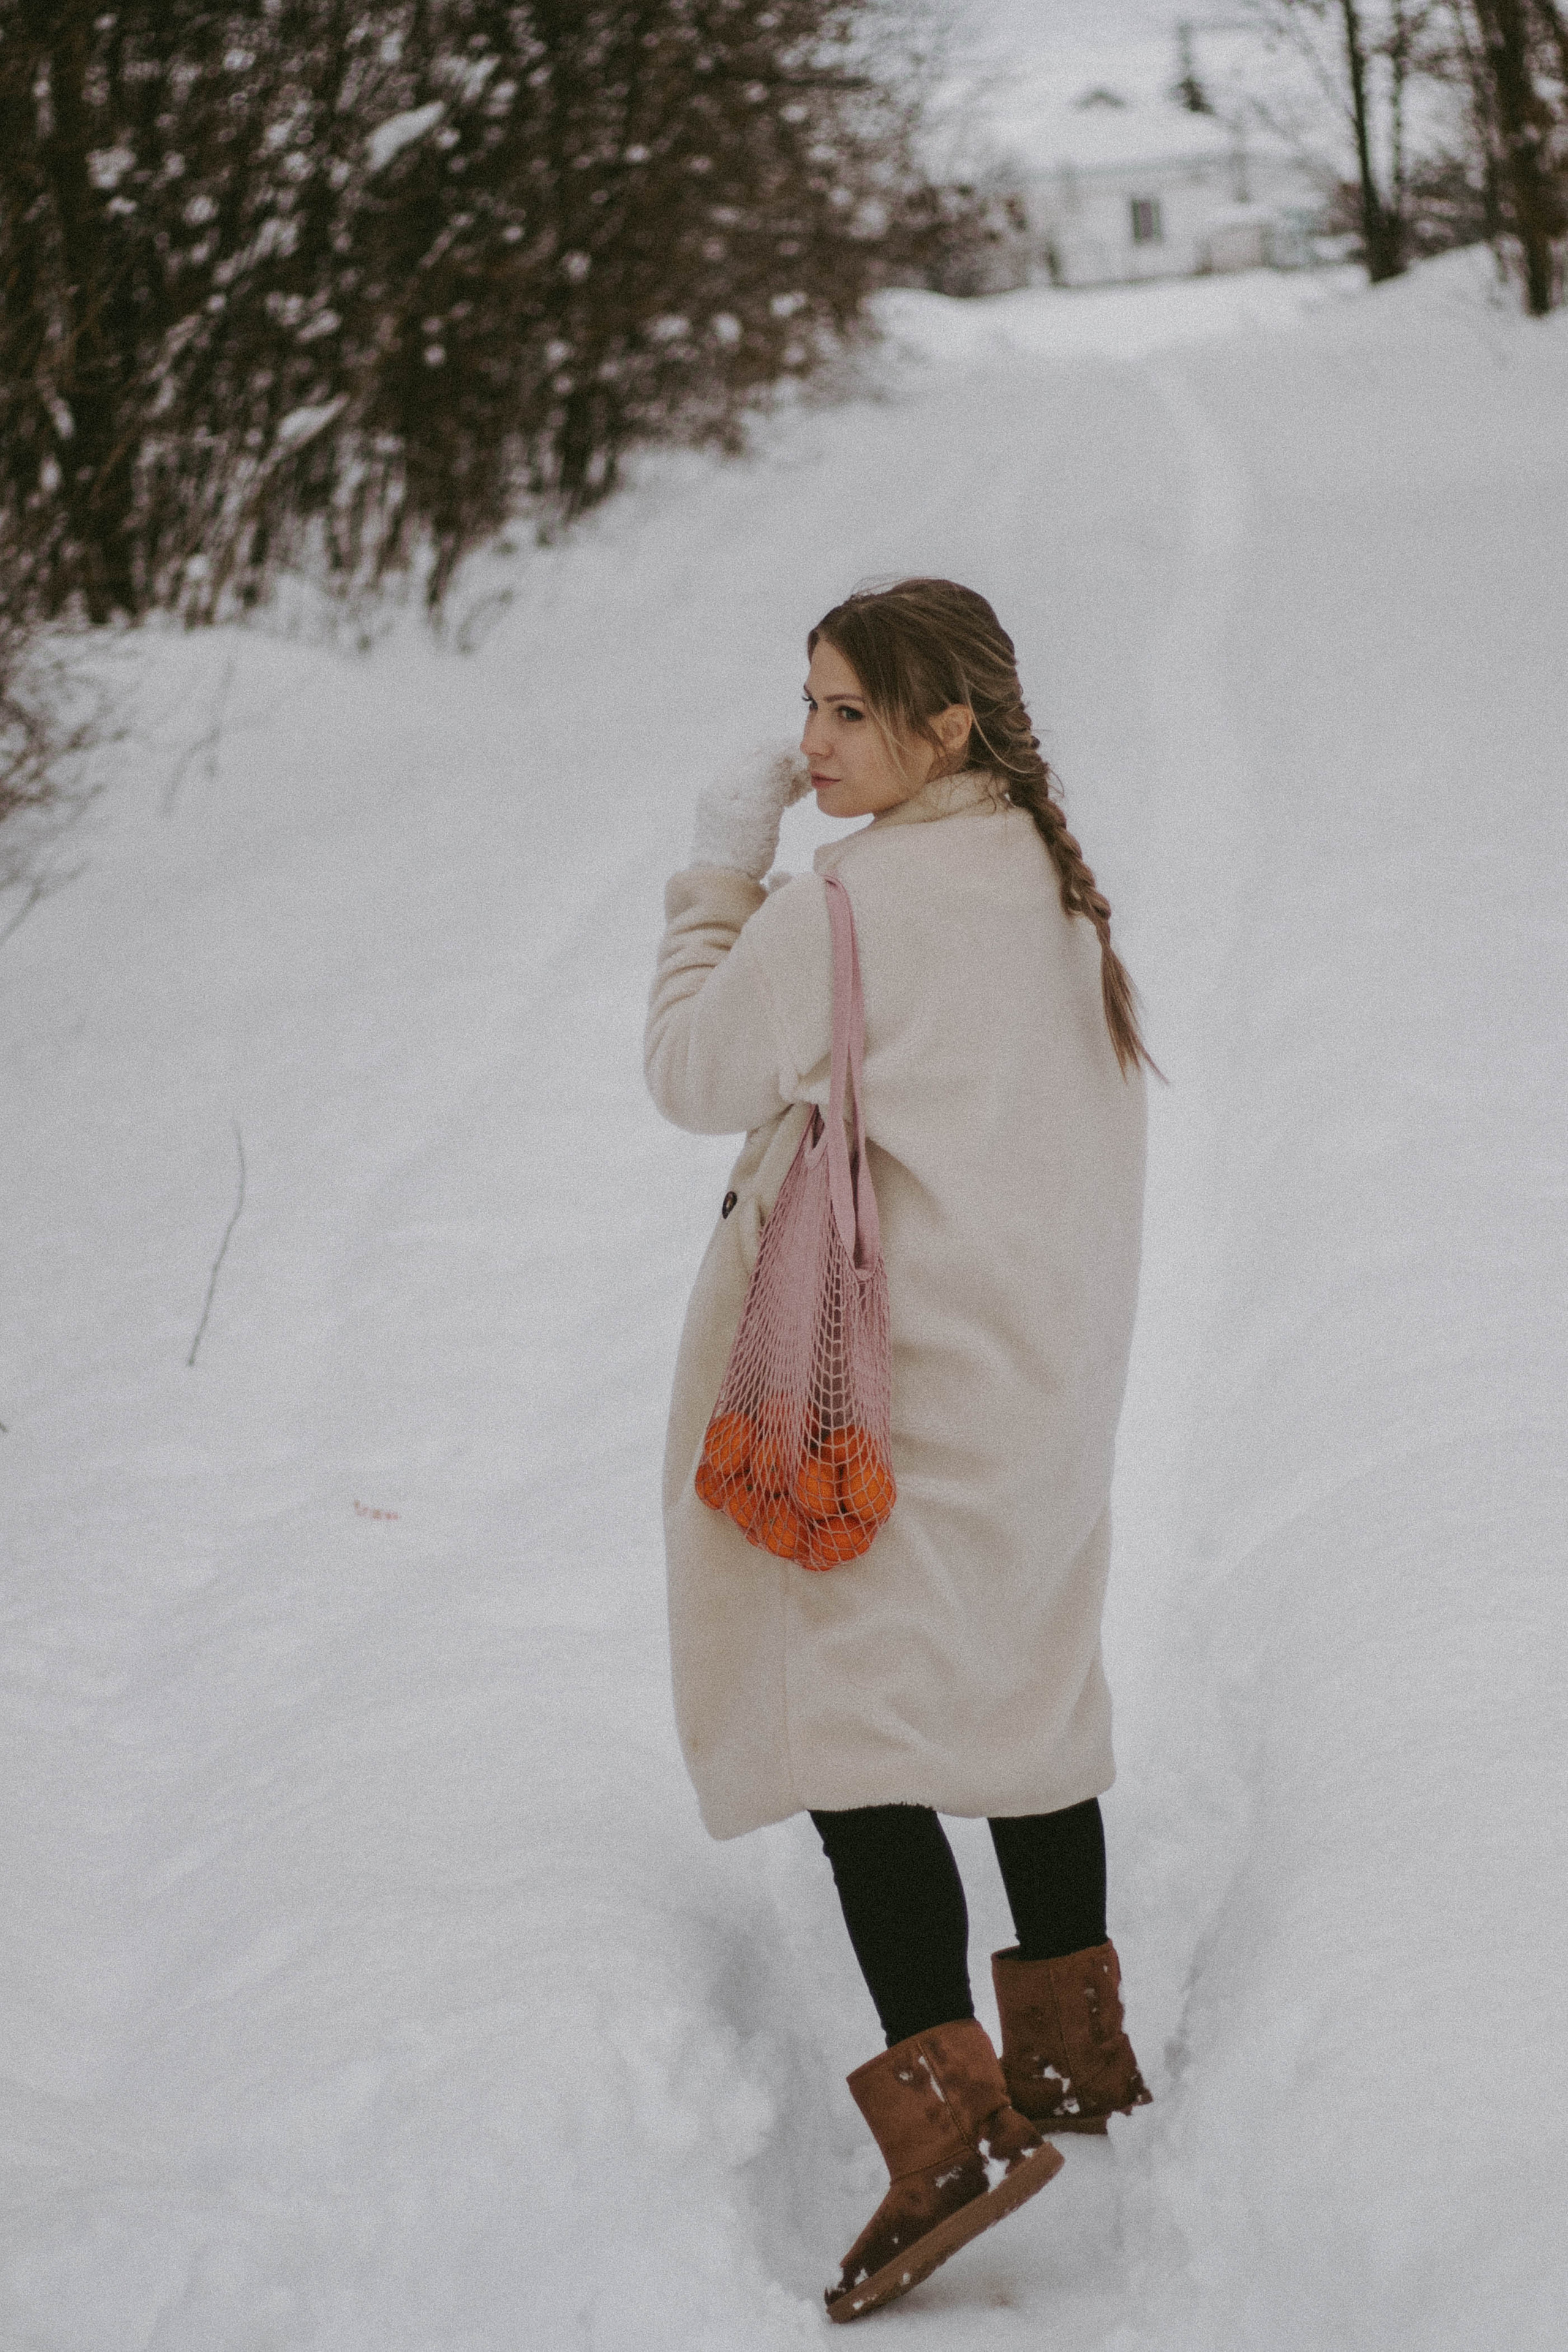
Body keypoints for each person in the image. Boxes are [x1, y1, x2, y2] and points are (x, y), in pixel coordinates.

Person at [644, 578, 1156, 2322]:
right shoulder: (1050, 885)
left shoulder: (838, 913)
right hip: (1040, 1381)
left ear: (950, 726)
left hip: (890, 1399)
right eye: (809, 706)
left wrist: (727, 866)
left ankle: (951, 2133)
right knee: (1023, 1700)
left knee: (858, 1738)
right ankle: (1076, 2060)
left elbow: (688, 1071)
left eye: (850, 713)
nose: (811, 746)